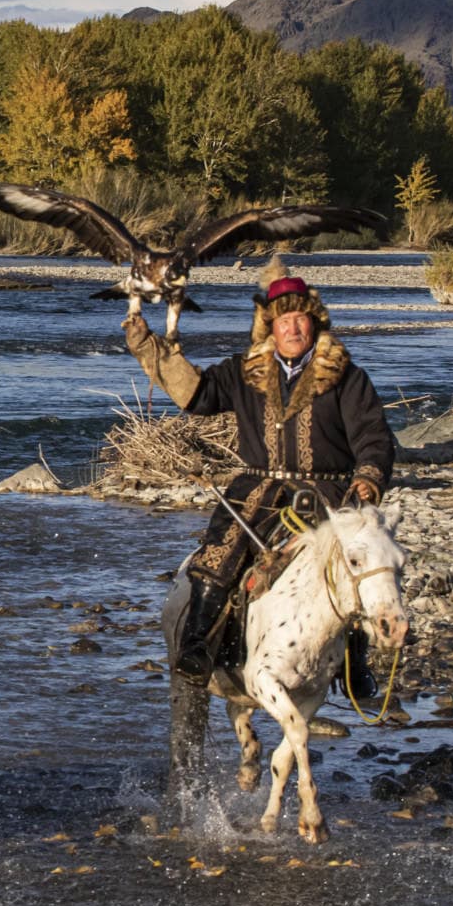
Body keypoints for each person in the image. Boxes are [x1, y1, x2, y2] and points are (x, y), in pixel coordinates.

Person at [123, 260, 395, 689]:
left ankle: (353, 661)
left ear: (315, 322)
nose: (292, 328)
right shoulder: (243, 372)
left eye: (300, 318)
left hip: (326, 490)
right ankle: (198, 646)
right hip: (259, 487)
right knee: (220, 553)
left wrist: (367, 477)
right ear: (270, 326)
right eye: (283, 320)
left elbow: (373, 436)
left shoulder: (347, 378)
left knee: (353, 563)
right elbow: (198, 394)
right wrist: (149, 350)